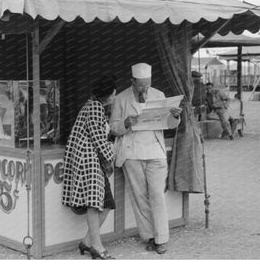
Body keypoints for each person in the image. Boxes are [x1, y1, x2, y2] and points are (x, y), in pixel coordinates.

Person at [109, 63, 182, 254]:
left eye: (147, 85)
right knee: (140, 197)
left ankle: (162, 238)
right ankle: (150, 236)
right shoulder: (121, 99)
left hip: (155, 151)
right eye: (140, 85)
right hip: (132, 153)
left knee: (157, 195)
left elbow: (169, 124)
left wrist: (175, 117)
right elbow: (113, 128)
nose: (144, 89)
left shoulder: (158, 95)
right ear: (132, 81)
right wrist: (125, 122)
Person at [62, 75, 117, 259]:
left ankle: (86, 242)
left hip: (90, 160)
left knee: (107, 204)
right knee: (94, 205)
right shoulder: (95, 107)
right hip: (90, 161)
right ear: (109, 95)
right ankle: (97, 246)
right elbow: (98, 138)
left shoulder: (92, 105)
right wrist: (111, 157)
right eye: (114, 92)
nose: (115, 96)